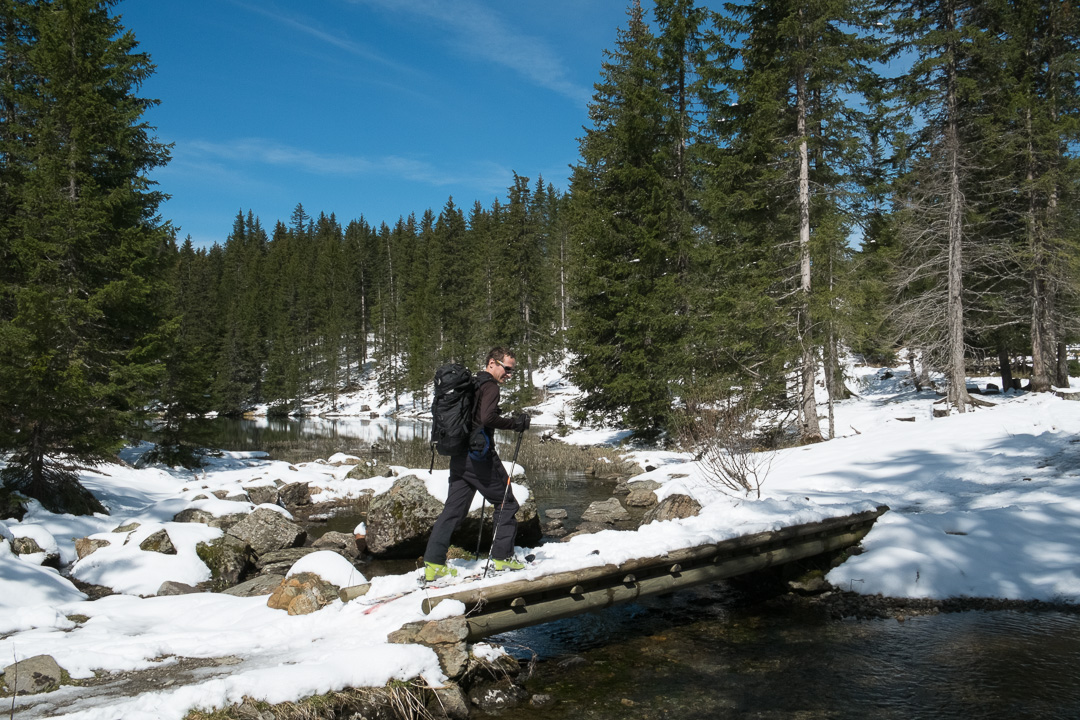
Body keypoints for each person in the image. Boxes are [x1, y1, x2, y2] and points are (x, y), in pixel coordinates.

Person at [423, 347, 531, 581]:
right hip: (479, 456)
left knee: (453, 510)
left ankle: (433, 564)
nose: (509, 374)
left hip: (460, 456)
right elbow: (486, 418)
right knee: (506, 502)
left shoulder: (472, 383)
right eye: (507, 368)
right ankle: (503, 559)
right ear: (493, 362)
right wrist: (516, 423)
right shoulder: (490, 386)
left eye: (512, 370)